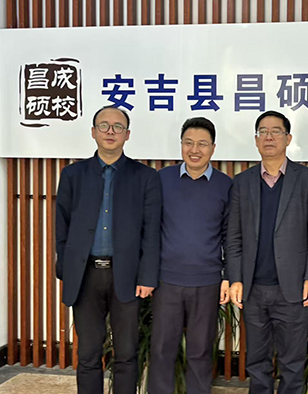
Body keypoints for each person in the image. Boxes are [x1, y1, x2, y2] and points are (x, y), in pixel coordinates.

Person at [56, 106, 162, 394]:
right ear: (93, 132)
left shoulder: (145, 177)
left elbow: (151, 232)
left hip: (126, 275)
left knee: (126, 353)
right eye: (104, 126)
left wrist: (147, 276)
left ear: (128, 134)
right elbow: (62, 228)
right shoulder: (73, 175)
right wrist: (66, 269)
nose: (110, 131)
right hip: (85, 275)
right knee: (88, 353)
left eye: (118, 127)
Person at [226, 110, 308, 394]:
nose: (269, 137)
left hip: (293, 289)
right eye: (263, 132)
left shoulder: (307, 179)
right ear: (256, 140)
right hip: (254, 289)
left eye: (276, 131)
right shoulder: (242, 182)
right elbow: (233, 236)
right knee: (257, 362)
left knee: (293, 363)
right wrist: (235, 278)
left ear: (288, 138)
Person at [148, 117, 232, 394]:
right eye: (189, 143)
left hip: (207, 282)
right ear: (181, 145)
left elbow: (230, 235)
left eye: (202, 144)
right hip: (166, 281)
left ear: (213, 148)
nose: (195, 150)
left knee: (200, 352)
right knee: (162, 349)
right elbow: (149, 229)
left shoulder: (225, 185)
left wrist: (227, 276)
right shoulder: (161, 179)